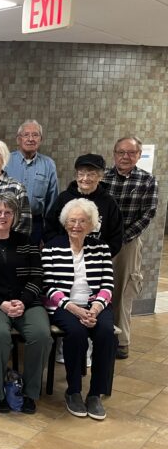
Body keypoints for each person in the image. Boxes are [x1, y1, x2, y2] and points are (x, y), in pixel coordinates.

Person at [0, 193, 50, 414]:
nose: (2, 216)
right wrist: (2, 303)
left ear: (15, 216)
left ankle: (30, 392)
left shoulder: (27, 241)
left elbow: (37, 276)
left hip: (26, 302)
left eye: (8, 212)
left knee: (41, 335)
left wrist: (22, 302)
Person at [42, 199, 115, 420]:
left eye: (83, 221)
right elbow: (48, 285)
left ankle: (95, 394)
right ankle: (73, 390)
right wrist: (73, 308)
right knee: (76, 334)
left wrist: (95, 308)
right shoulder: (52, 246)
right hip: (64, 304)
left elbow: (108, 284)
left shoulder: (101, 247)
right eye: (72, 220)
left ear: (91, 224)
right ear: (65, 223)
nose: (76, 225)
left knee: (105, 333)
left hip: (95, 305)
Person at [101, 136, 158, 360]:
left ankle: (121, 340)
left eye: (131, 153)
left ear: (138, 155)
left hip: (127, 243)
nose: (125, 157)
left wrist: (122, 238)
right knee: (96, 290)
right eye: (121, 152)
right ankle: (98, 338)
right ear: (114, 154)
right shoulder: (103, 177)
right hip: (100, 242)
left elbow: (148, 214)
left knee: (123, 291)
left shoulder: (147, 181)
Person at [45, 153, 123, 256]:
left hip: (96, 258)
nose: (85, 178)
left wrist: (102, 255)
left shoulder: (108, 202)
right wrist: (61, 250)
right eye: (81, 174)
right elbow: (49, 228)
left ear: (100, 177)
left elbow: (116, 237)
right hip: (64, 255)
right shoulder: (63, 198)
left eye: (91, 174)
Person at [4, 120, 59, 244]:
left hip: (36, 224)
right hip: (7, 221)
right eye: (26, 135)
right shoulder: (5, 161)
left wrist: (47, 233)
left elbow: (52, 201)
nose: (30, 139)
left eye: (35, 135)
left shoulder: (48, 164)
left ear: (41, 139)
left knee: (31, 260)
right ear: (18, 139)